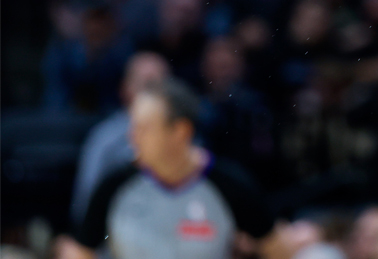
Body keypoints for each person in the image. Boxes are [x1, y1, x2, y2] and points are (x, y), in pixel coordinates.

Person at [56, 79, 277, 259]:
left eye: (144, 128)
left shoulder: (230, 185)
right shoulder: (115, 185)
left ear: (180, 131)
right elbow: (79, 249)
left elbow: (278, 248)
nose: (132, 137)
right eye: (133, 127)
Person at [69, 51, 169, 225]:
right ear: (125, 89)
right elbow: (84, 204)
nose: (156, 93)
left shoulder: (182, 135)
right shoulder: (104, 139)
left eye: (162, 84)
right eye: (148, 84)